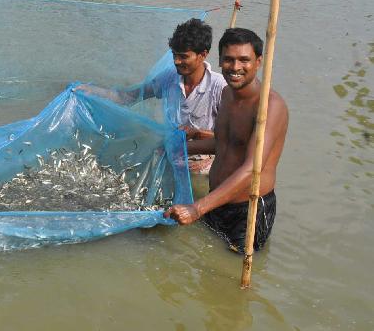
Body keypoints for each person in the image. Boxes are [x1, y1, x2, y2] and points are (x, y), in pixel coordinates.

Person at [165, 28, 289, 253]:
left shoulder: (269, 107)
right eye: (229, 60)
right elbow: (222, 144)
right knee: (205, 270)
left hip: (248, 210)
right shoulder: (226, 94)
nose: (235, 67)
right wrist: (176, 148)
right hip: (217, 199)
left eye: (244, 60)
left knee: (230, 275)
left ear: (258, 62)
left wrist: (197, 208)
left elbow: (252, 169)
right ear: (220, 60)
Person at [76, 18, 226, 173]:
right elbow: (128, 97)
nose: (176, 61)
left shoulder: (219, 86)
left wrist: (205, 148)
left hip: (205, 161)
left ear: (203, 55)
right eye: (174, 55)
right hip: (172, 153)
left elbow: (233, 138)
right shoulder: (169, 78)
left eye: (183, 56)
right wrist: (92, 92)